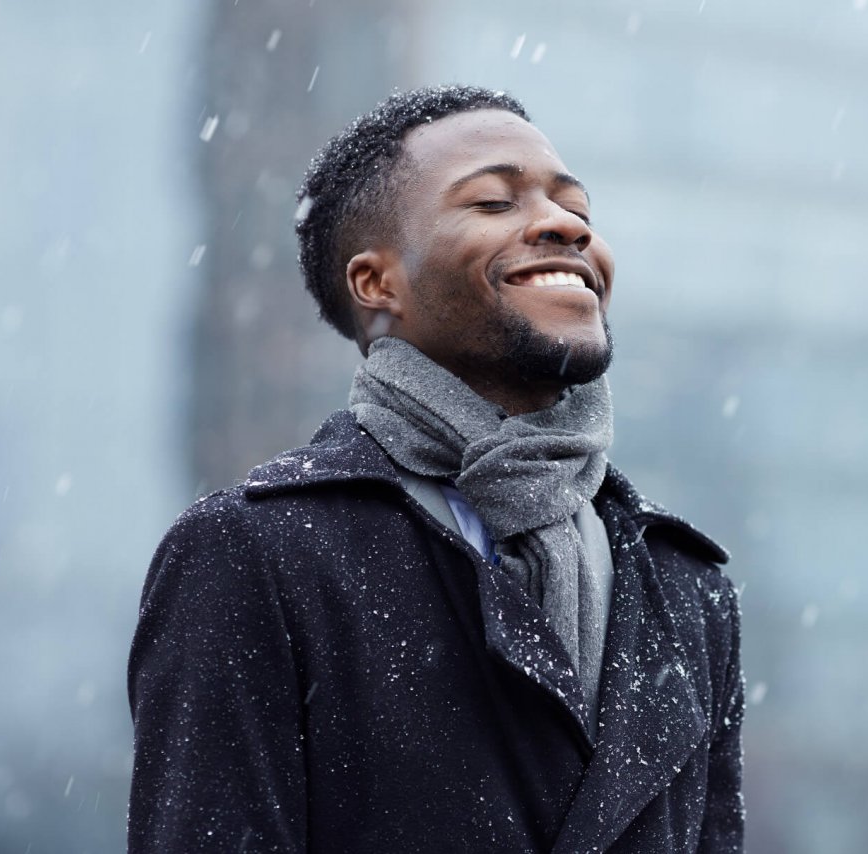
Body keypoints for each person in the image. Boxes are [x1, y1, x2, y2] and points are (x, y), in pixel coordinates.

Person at [128, 84, 744, 853]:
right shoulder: (257, 555)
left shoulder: (686, 588)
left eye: (578, 210)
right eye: (492, 203)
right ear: (377, 283)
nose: (564, 226)